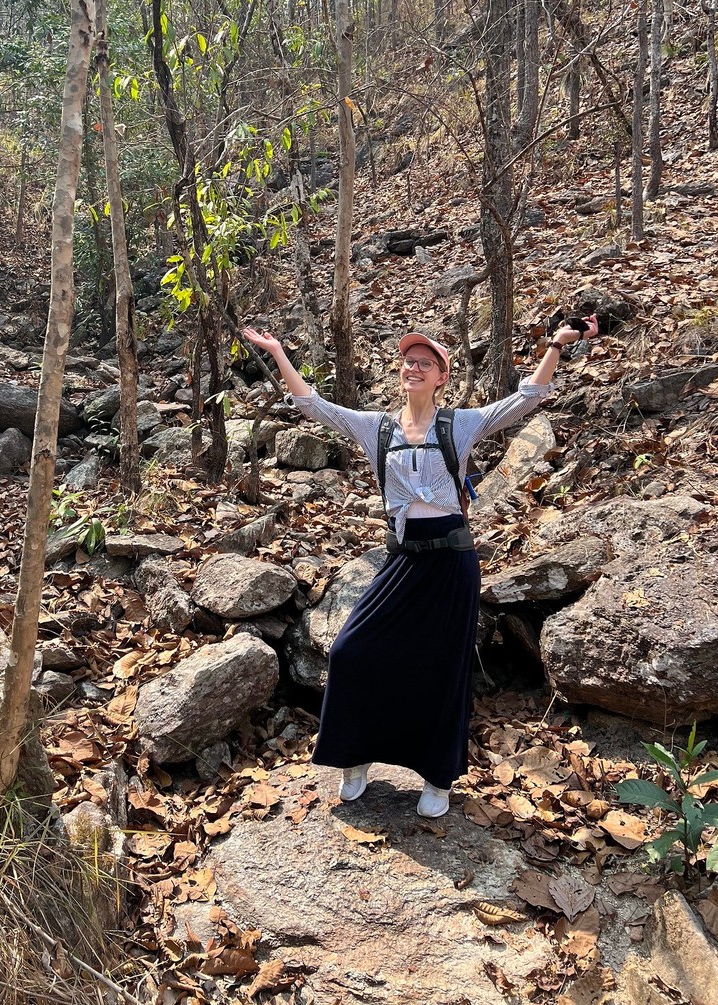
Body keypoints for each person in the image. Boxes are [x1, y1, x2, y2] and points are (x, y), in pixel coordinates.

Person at [242, 317, 599, 817]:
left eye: (424, 363)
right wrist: (279, 353)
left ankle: (436, 778)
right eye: (408, 361)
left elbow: (524, 400)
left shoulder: (459, 424)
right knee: (350, 652)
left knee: (441, 669)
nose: (413, 368)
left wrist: (556, 346)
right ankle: (355, 757)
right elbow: (313, 405)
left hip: (452, 562)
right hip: (402, 557)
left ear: (441, 377)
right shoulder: (377, 427)